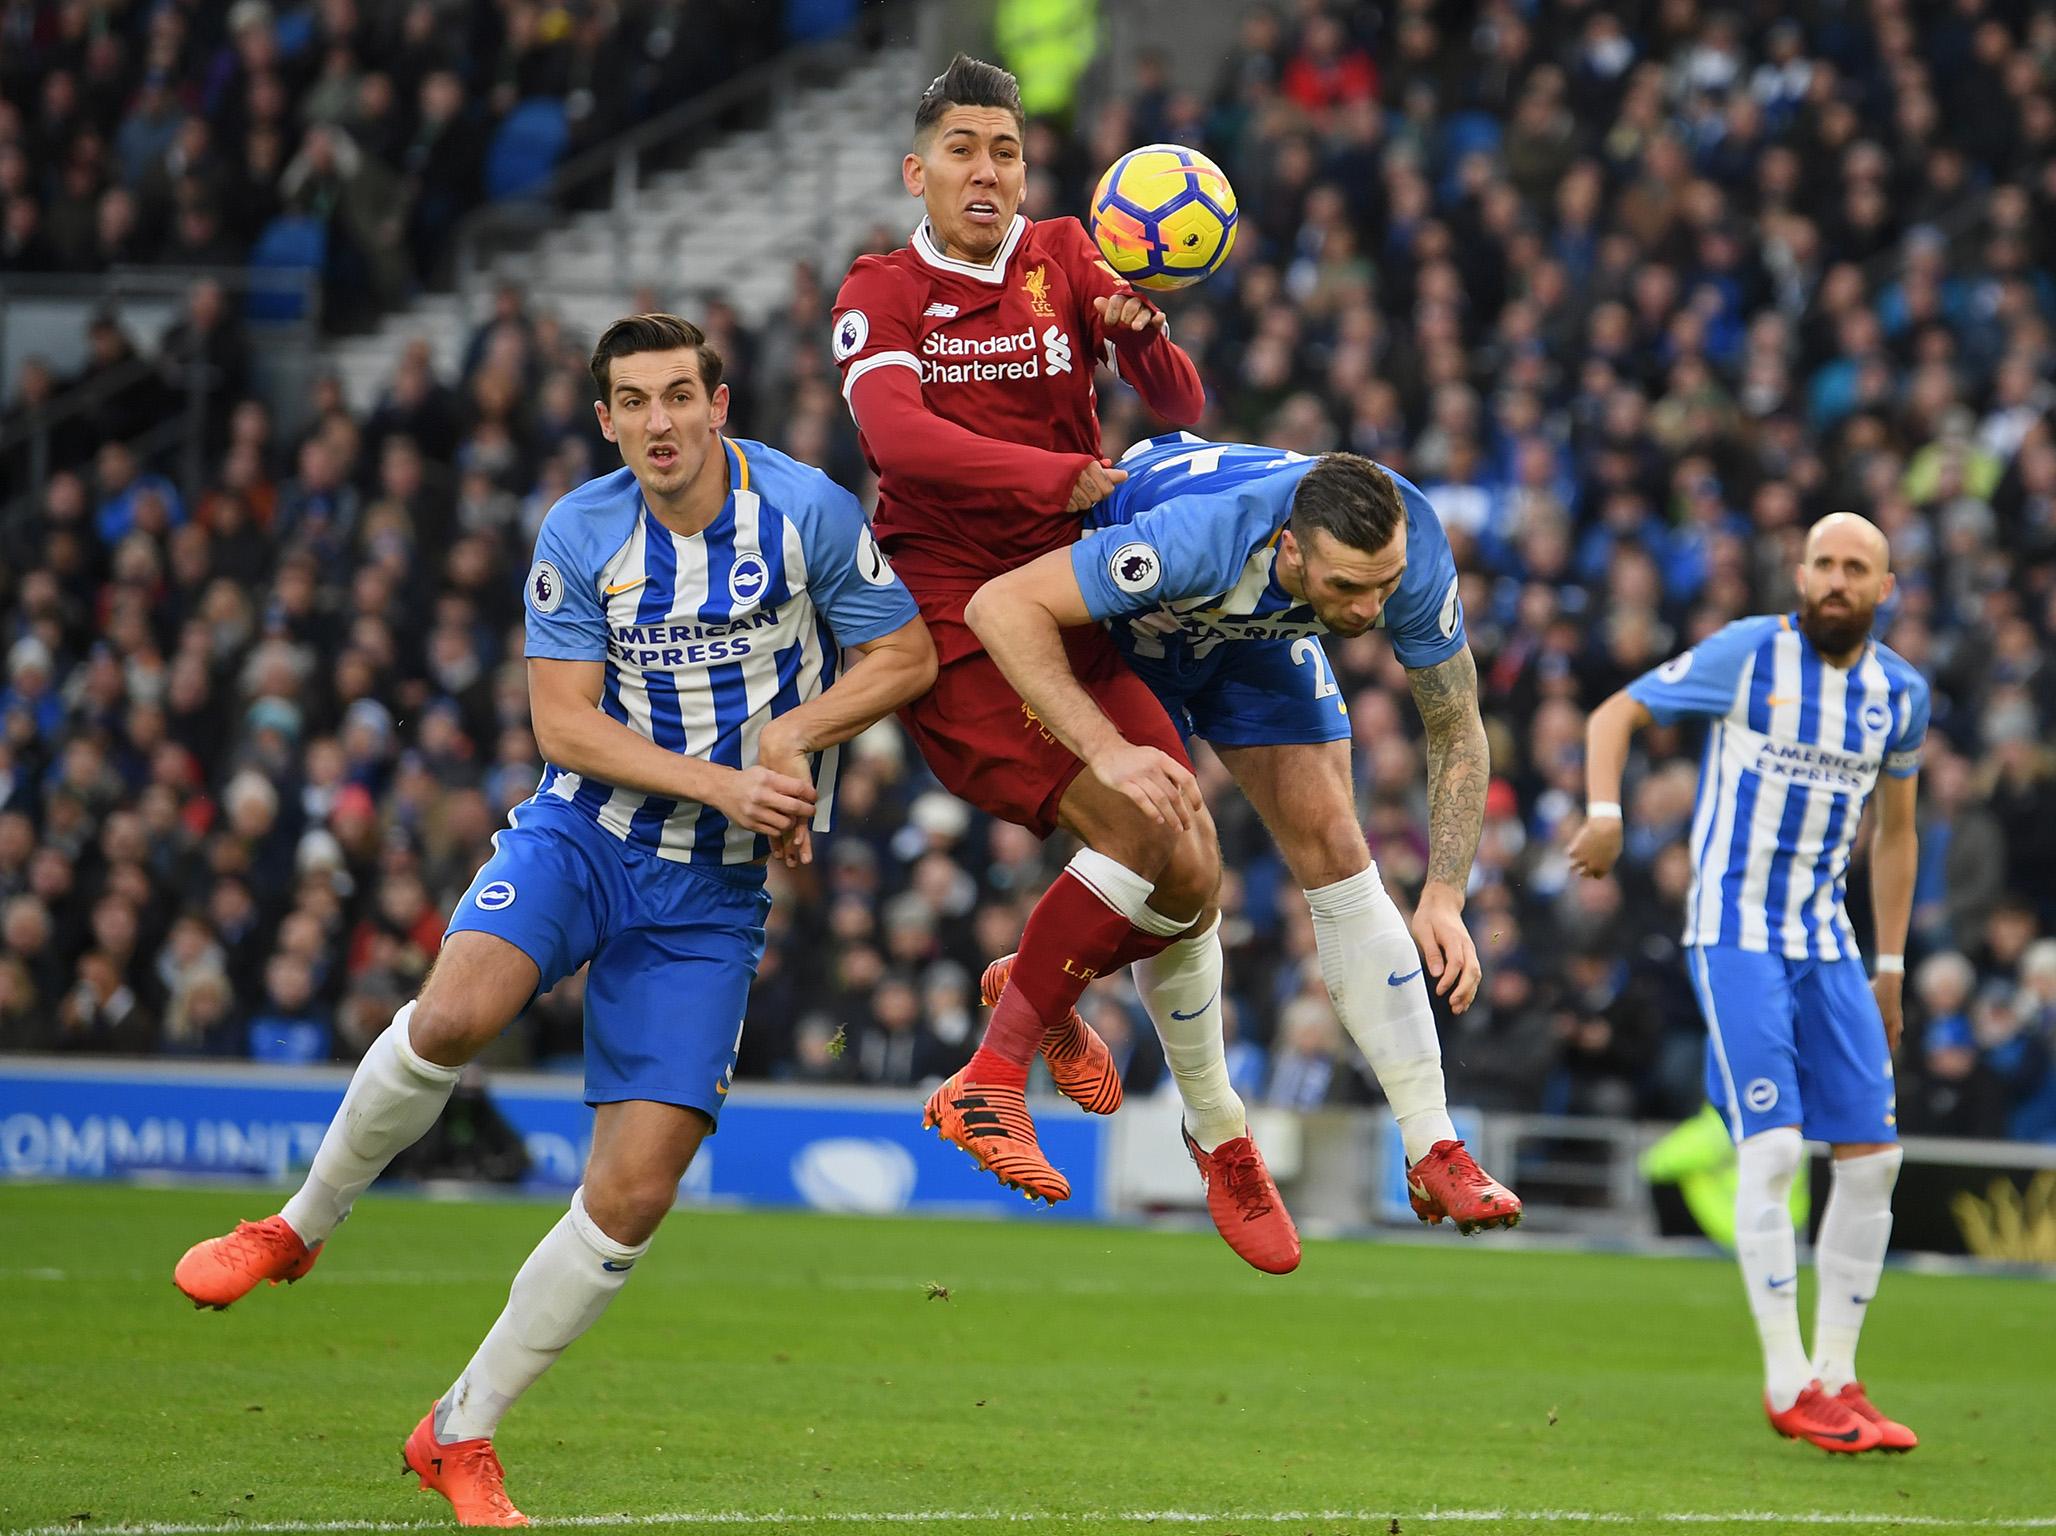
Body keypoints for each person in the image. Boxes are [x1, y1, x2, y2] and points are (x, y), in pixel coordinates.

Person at [172, 314, 937, 1525]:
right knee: (455, 1011)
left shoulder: (805, 513)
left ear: (719, 404)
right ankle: (296, 1226)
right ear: (606, 421)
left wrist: (795, 737)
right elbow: (563, 729)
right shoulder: (582, 529)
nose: (659, 423)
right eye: (632, 403)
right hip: (584, 832)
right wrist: (737, 780)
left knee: (635, 1193)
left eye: (679, 396)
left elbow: (905, 653)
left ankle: (460, 1430)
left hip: (712, 895)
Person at [831, 56, 1300, 1272]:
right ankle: (994, 1071)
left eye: (1006, 151)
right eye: (963, 150)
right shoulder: (881, 292)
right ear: (916, 169)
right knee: (1150, 836)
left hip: (1080, 600)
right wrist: (1055, 479)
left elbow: (1180, 399)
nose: (986, 171)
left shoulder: (1067, 254)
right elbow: (897, 440)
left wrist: (1144, 340)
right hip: (968, 623)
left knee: (1197, 864)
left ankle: (1035, 983)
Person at [966, 433, 1520, 1233]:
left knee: (1338, 847)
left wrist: (1443, 893)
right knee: (1183, 866)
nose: (1369, 610)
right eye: (1348, 587)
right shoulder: (1199, 536)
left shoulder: (1416, 537)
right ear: (1290, 548)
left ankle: (1435, 1149)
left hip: (1254, 637)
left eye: (1385, 585)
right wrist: (1107, 750)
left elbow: (1457, 725)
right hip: (1129, 637)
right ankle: (1219, 1134)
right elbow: (1002, 604)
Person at [1568, 512, 1926, 1455]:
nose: (1836, 580)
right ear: (1798, 575)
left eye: (1857, 568)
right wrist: (1605, 814)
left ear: (1886, 588)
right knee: (1770, 1154)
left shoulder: (1901, 695)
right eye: (1822, 564)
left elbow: (1897, 834)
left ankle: (1838, 1378)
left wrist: (1890, 966)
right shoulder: (1747, 655)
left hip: (1828, 940)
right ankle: (1787, 1385)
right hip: (1734, 932)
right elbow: (1616, 714)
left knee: (1875, 1159)